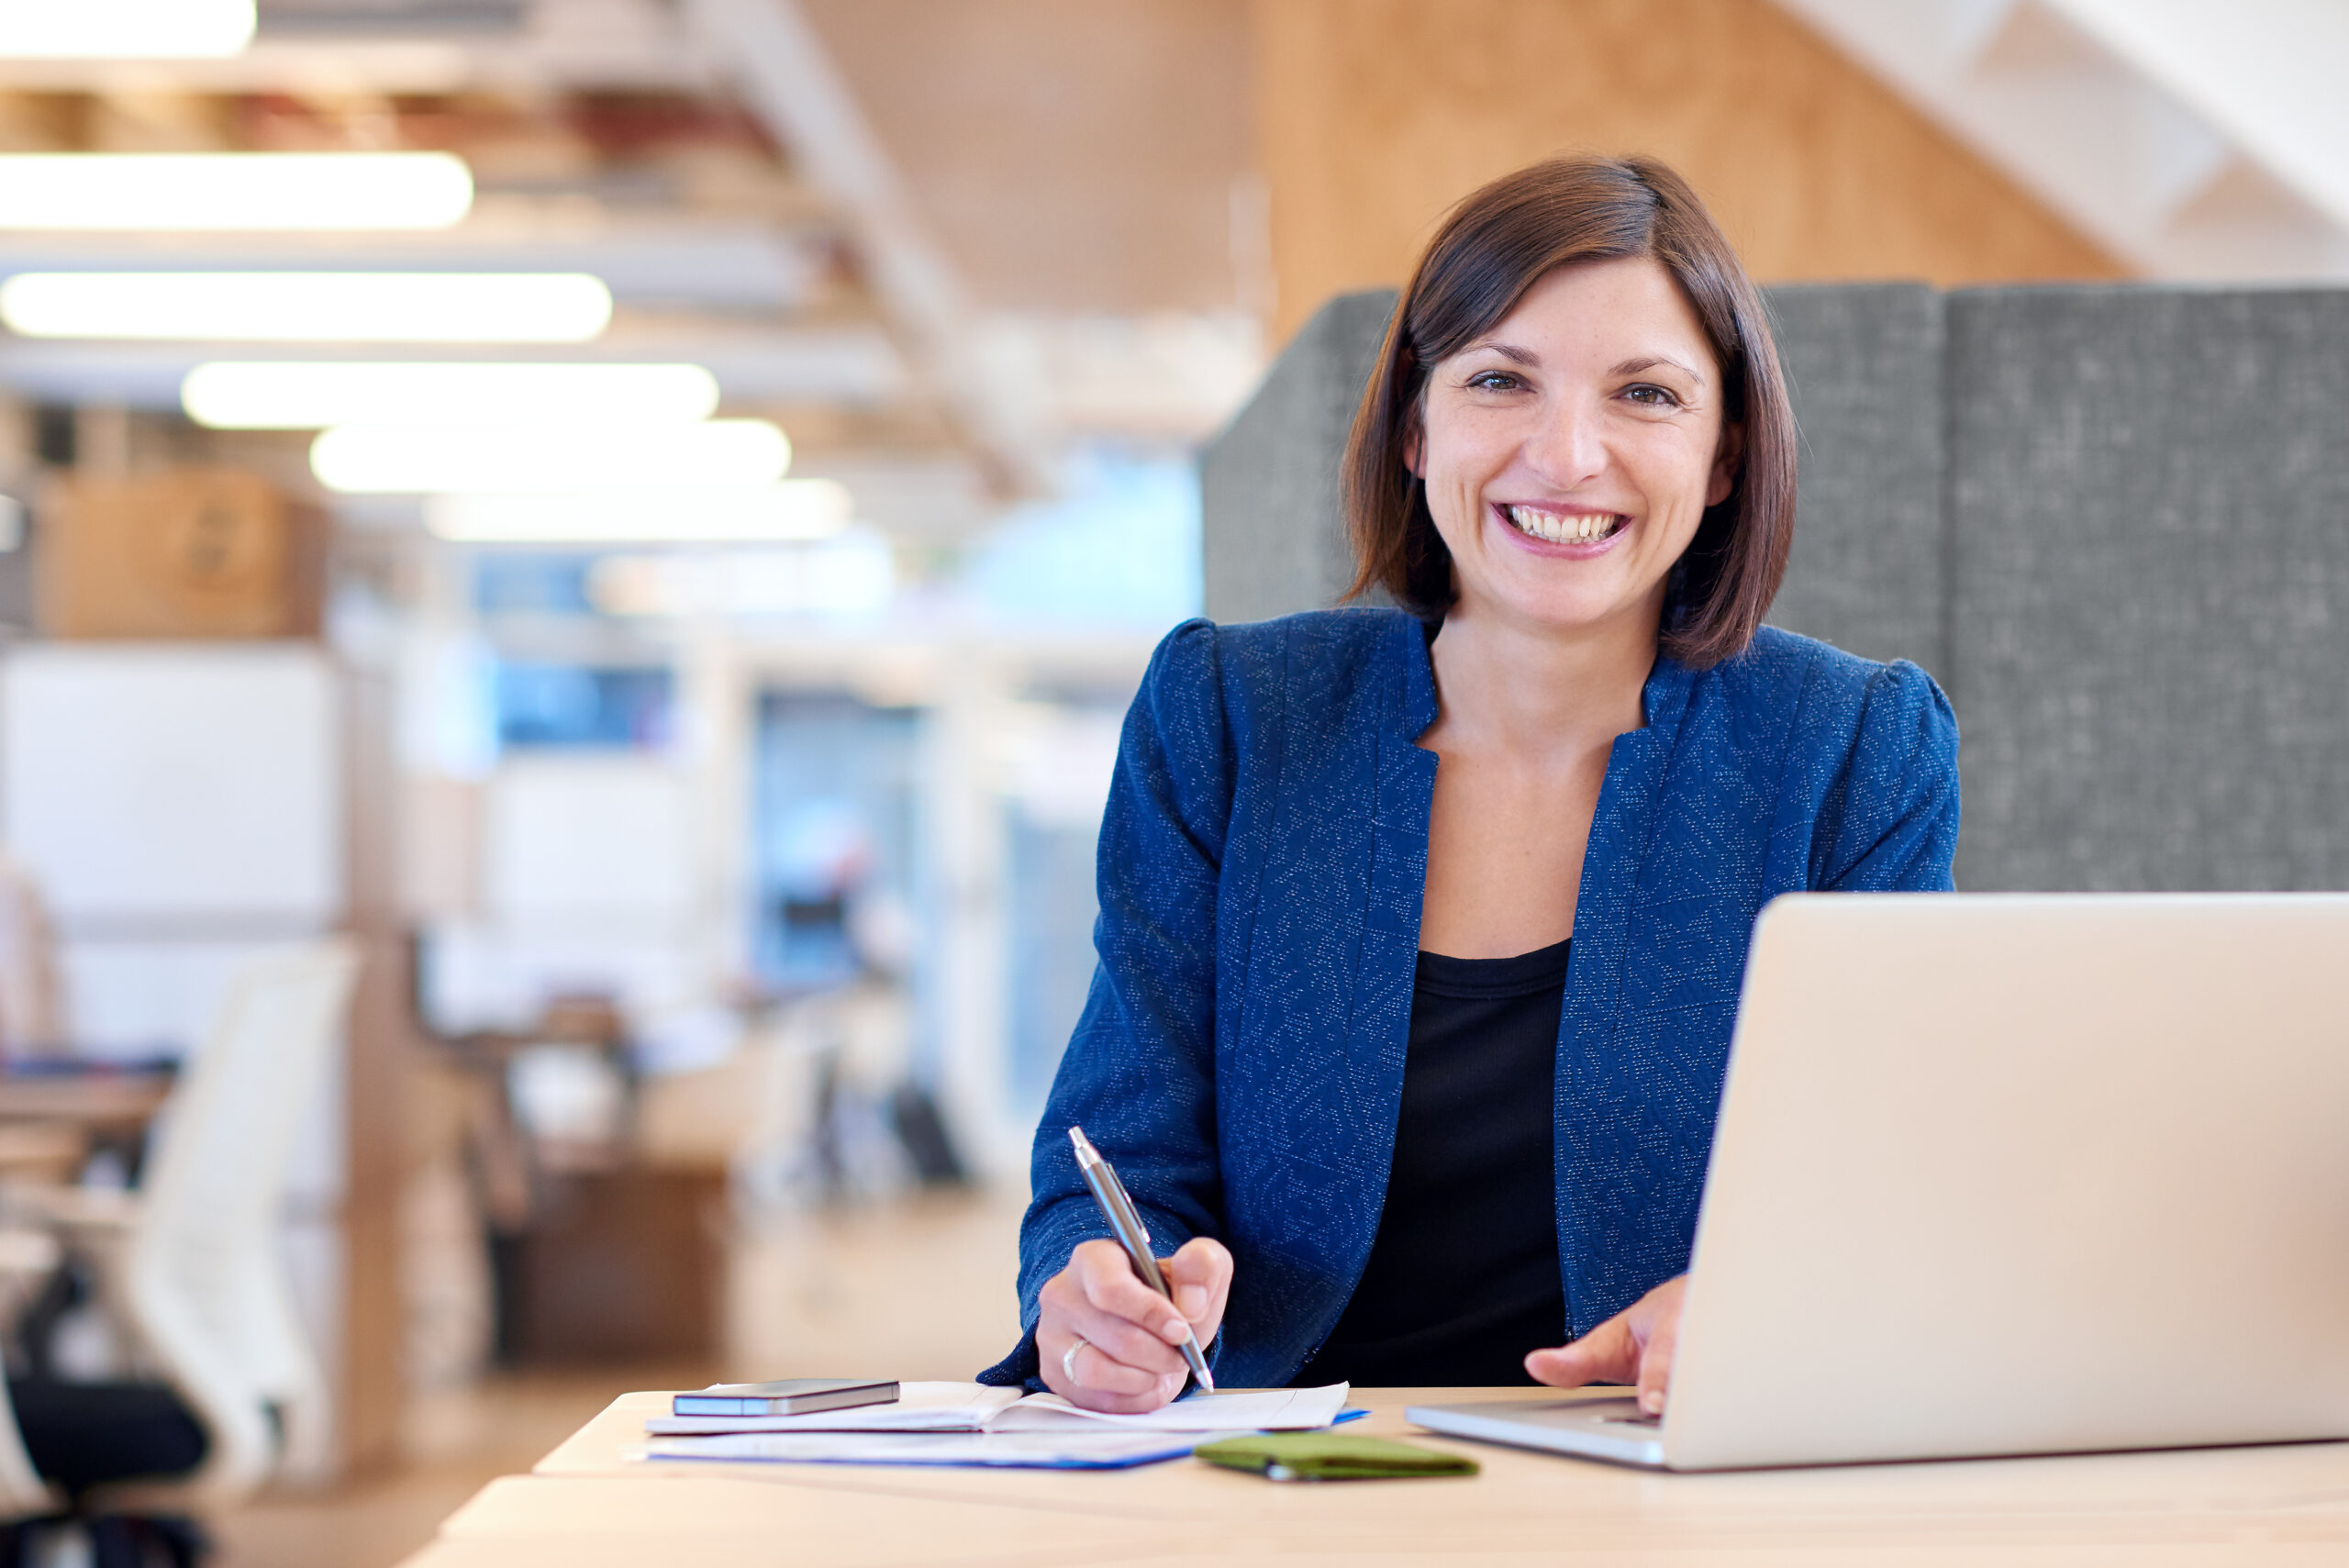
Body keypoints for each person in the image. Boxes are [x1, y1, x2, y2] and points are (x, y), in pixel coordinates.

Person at [979, 154, 1959, 1414]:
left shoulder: (1851, 749)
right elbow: (1115, 1160)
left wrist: (1773, 1309)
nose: (1567, 454)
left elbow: (1892, 1186)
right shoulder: (1231, 718)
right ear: (1414, 424)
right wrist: (1093, 1295)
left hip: (1671, 1481)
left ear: (1724, 454)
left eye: (1646, 394)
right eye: (1501, 380)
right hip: (1283, 1487)